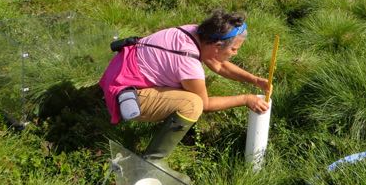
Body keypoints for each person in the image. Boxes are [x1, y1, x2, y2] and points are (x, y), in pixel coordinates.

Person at [99, 9, 270, 170]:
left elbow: (218, 65)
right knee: (193, 104)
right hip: (123, 91)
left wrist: (255, 80)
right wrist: (246, 99)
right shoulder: (188, 63)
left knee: (189, 95)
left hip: (118, 71)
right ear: (217, 46)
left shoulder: (195, 33)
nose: (235, 53)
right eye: (234, 49)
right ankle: (152, 163)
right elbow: (207, 105)